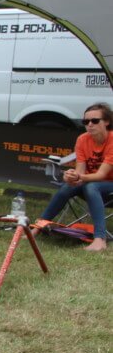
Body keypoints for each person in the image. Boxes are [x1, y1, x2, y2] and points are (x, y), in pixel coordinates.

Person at [34, 102, 113, 251]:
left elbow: (101, 175)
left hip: (109, 184)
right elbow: (80, 171)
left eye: (95, 121)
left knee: (91, 186)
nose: (90, 124)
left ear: (107, 122)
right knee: (67, 187)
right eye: (86, 121)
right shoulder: (82, 139)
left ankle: (100, 239)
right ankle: (37, 228)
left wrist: (79, 177)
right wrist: (70, 177)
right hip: (92, 184)